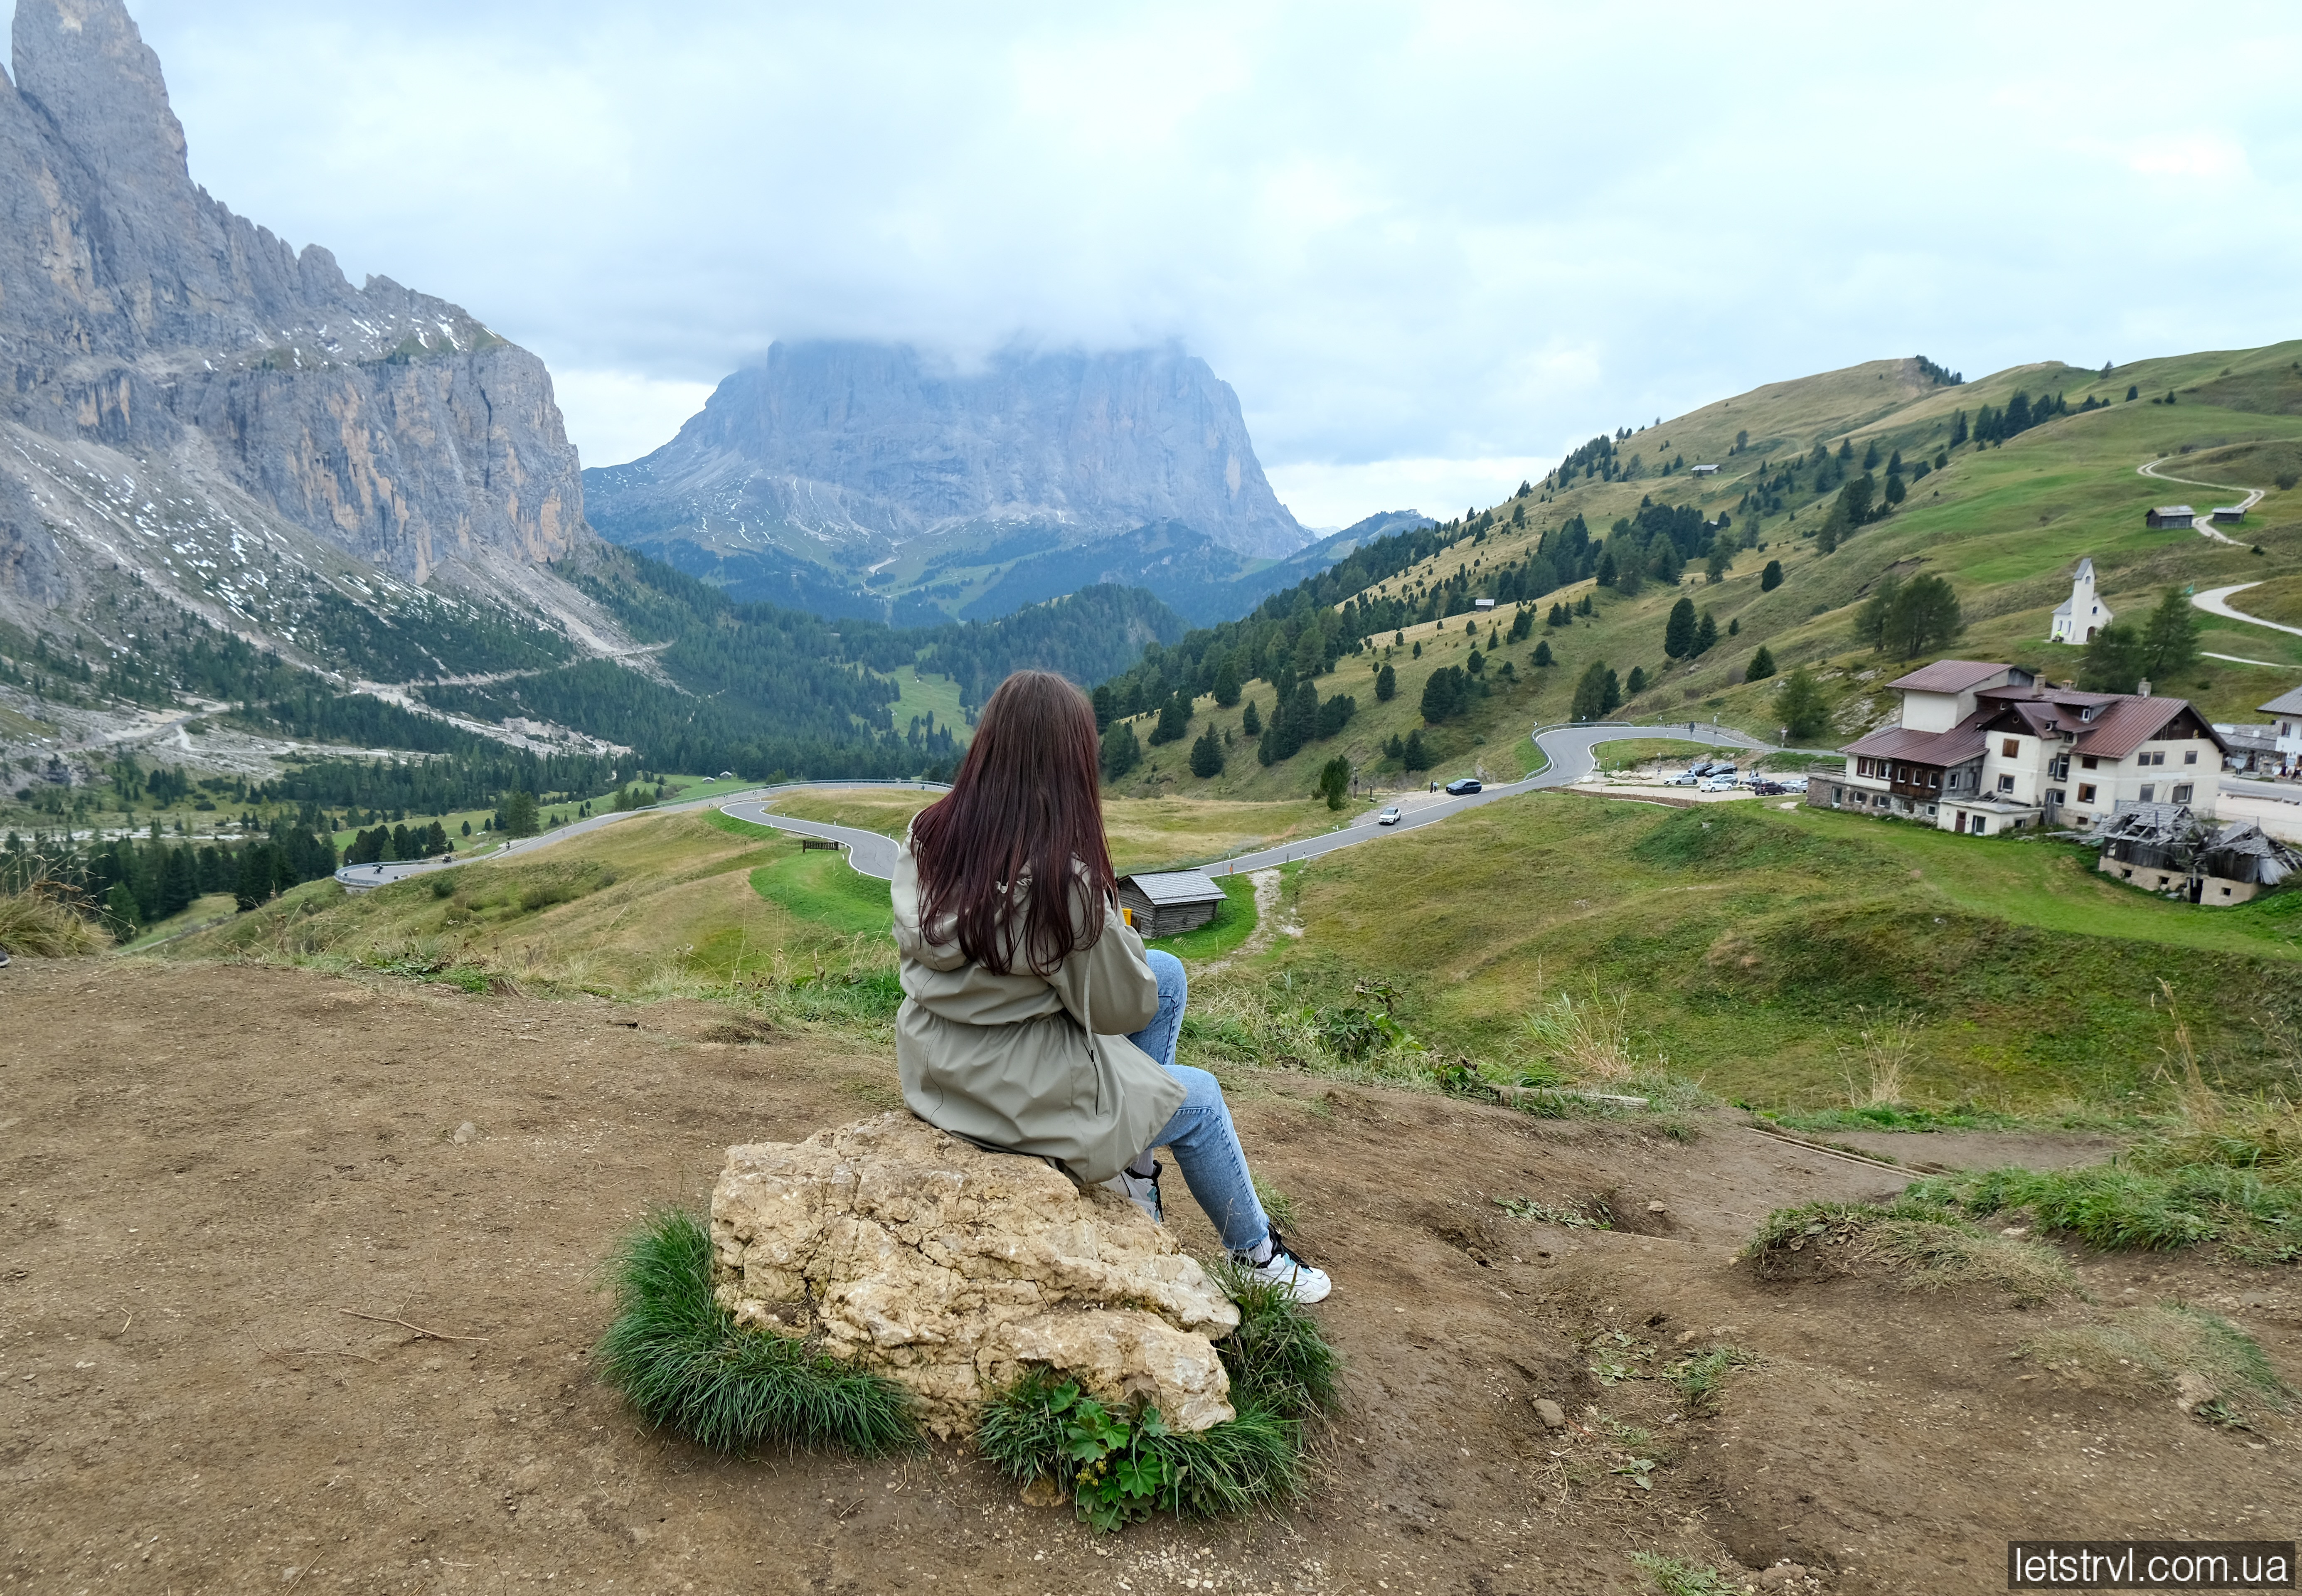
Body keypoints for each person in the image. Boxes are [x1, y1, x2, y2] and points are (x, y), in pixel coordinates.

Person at [891, 670, 1330, 1303]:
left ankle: (1132, 1167)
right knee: (1201, 1100)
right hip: (1003, 1088)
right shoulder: (1056, 882)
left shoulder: (930, 836)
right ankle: (1256, 1257)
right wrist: (1105, 922)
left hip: (938, 1057)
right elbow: (1125, 1003)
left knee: (1170, 971)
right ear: (1069, 763)